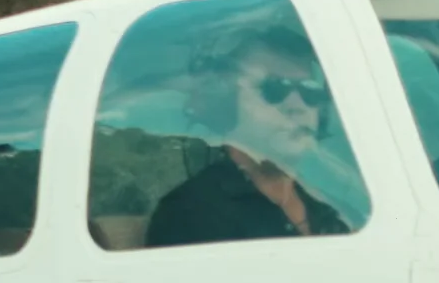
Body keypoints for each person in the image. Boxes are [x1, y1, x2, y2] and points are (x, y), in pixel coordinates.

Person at [147, 31, 358, 247]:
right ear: (226, 102)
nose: (297, 106)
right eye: (274, 88)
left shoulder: (334, 209)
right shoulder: (190, 213)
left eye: (310, 91)